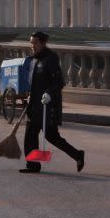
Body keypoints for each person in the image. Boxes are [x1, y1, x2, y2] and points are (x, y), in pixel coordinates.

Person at [21, 31, 85, 174]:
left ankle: (78, 154)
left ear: (43, 43)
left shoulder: (51, 59)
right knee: (30, 136)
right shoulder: (33, 60)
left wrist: (49, 93)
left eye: (35, 43)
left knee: (52, 137)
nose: (32, 46)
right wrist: (29, 95)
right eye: (31, 43)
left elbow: (59, 82)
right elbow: (33, 82)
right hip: (34, 105)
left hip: (47, 106)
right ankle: (33, 165)